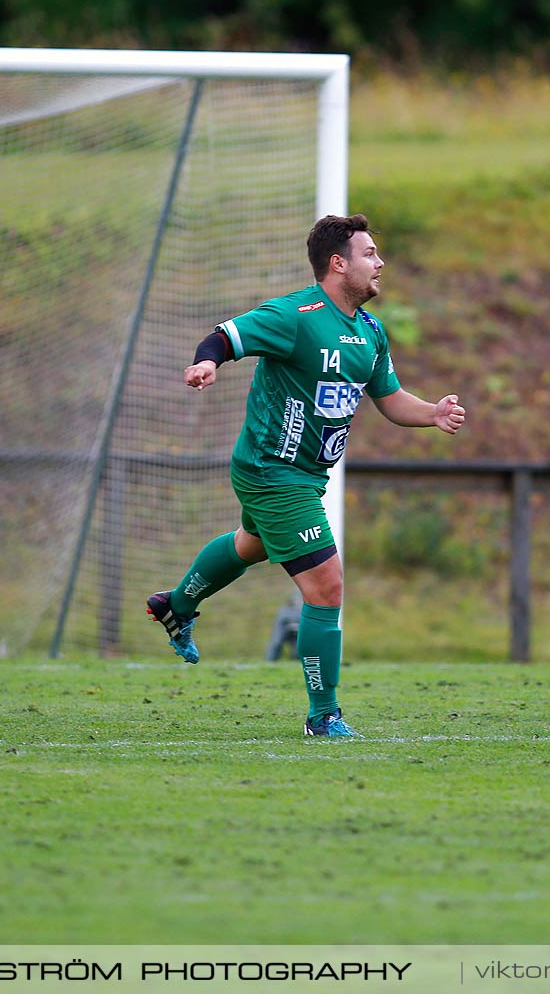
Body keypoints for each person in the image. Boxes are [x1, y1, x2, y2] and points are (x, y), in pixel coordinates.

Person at [148, 214, 466, 739]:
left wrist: (431, 412)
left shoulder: (370, 332)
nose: (380, 261)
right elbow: (224, 336)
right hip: (274, 471)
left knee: (251, 545)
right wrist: (207, 364)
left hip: (303, 477)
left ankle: (177, 604)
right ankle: (324, 716)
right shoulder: (296, 315)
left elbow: (389, 399)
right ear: (338, 264)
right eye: (369, 253)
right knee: (327, 587)